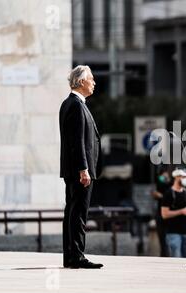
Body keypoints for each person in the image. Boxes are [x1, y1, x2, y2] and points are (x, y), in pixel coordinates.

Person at [59, 65, 103, 269]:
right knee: (78, 214)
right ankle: (77, 256)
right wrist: (83, 169)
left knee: (72, 211)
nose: (94, 82)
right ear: (81, 81)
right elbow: (76, 141)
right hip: (80, 171)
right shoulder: (75, 105)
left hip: (75, 169)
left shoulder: (70, 104)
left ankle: (70, 256)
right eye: (91, 79)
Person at [161, 168, 186, 258]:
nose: (185, 179)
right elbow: (164, 214)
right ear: (176, 177)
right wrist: (181, 211)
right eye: (183, 176)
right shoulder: (169, 193)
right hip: (173, 233)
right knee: (176, 261)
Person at [151, 166, 171, 257]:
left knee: (168, 238)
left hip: (170, 215)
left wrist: (161, 196)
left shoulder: (172, 185)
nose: (163, 178)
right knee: (162, 238)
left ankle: (167, 255)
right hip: (160, 214)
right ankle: (164, 255)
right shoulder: (159, 182)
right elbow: (155, 193)